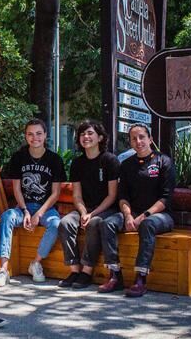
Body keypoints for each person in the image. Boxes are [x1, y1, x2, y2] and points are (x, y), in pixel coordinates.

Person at [98, 124, 176, 298]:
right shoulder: (126, 165)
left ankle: (141, 278)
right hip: (132, 212)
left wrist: (143, 216)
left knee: (147, 224)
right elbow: (122, 196)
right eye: (134, 138)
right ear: (130, 142)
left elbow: (166, 198)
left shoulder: (164, 161)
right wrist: (127, 215)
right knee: (107, 223)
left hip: (160, 215)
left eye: (142, 137)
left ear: (150, 139)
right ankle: (115, 275)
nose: (138, 141)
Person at [0, 119, 66, 286]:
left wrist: (39, 214)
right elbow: (17, 189)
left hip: (46, 209)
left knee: (56, 224)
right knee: (7, 216)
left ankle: (35, 263)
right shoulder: (19, 157)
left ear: (45, 136)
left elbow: (55, 194)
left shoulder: (54, 159)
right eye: (30, 134)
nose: (35, 137)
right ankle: (4, 269)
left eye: (39, 134)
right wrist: (26, 211)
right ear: (26, 136)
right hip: (23, 208)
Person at [57, 120, 120, 290]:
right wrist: (84, 211)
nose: (86, 137)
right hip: (85, 208)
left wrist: (91, 215)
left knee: (93, 223)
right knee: (65, 223)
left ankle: (87, 271)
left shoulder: (110, 160)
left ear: (100, 137)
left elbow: (112, 195)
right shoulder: (77, 163)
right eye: (82, 134)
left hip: (107, 209)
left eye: (90, 133)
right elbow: (77, 195)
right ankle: (74, 269)